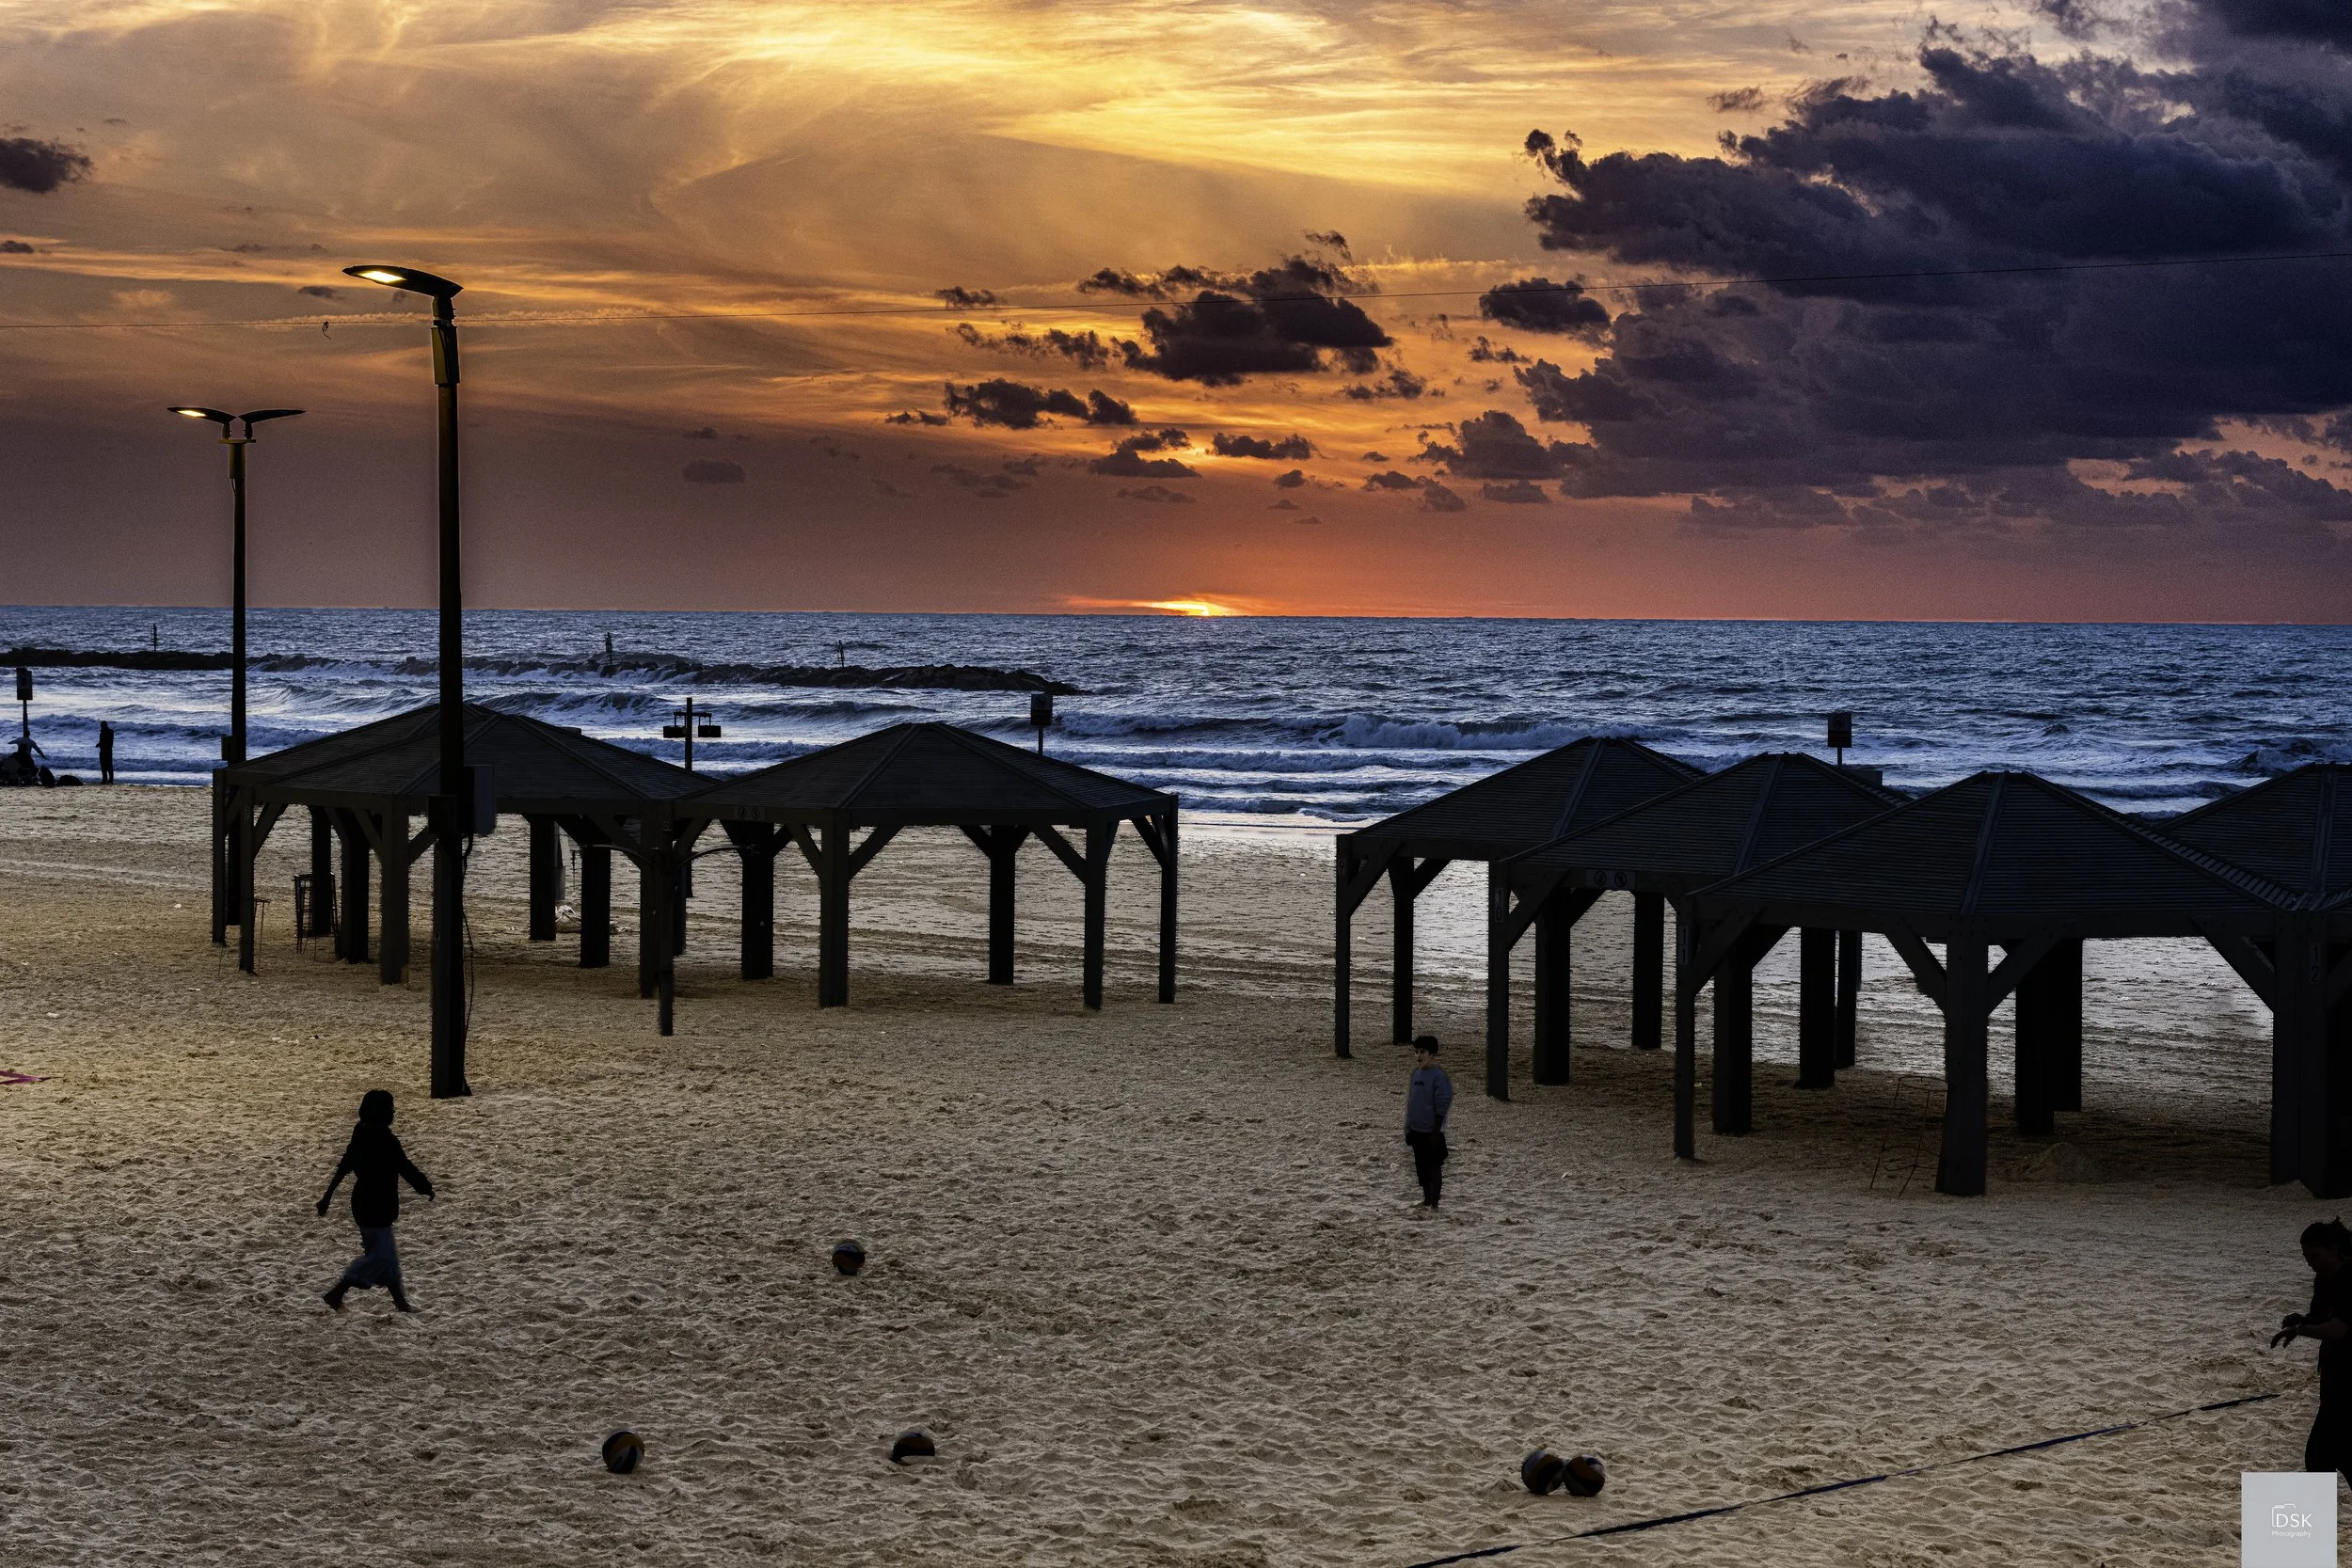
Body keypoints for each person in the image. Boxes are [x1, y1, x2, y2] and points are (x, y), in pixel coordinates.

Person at [316, 1089, 434, 1312]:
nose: (394, 1112)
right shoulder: (386, 1140)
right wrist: (424, 1187)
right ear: (380, 1112)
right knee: (379, 1255)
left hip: (362, 1202)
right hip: (377, 1205)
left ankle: (401, 1303)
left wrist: (327, 1197)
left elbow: (344, 1166)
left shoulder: (360, 1134)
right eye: (390, 1108)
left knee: (386, 1255)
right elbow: (405, 1167)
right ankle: (337, 1292)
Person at [2273, 1217, 2352, 1481]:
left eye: (2314, 1255)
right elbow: (2320, 1318)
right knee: (2321, 1457)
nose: (2309, 1262)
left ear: (2334, 1249)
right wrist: (2299, 1321)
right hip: (2334, 1374)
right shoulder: (2323, 1278)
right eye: (2305, 1256)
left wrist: (2301, 1330)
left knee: (2323, 1455)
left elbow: (2338, 1329)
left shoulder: (2350, 1277)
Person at [1405, 1035, 1454, 1209]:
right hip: (1416, 1129)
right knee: (1421, 1168)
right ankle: (1426, 1198)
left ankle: (1434, 1203)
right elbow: (1411, 1103)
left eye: (1422, 1052)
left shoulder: (1439, 1076)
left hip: (1432, 1131)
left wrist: (1435, 1130)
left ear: (1432, 1054)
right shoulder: (1415, 1074)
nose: (1418, 1055)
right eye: (1416, 1052)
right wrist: (1408, 1128)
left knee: (1434, 1167)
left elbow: (1442, 1103)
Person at [96, 721, 113, 785]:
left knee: (107, 766)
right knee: (105, 766)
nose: (101, 726)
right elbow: (103, 741)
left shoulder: (108, 732)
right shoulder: (107, 732)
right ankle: (106, 780)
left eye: (102, 725)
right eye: (101, 725)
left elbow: (104, 740)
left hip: (106, 751)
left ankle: (108, 780)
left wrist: (99, 744)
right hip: (105, 750)